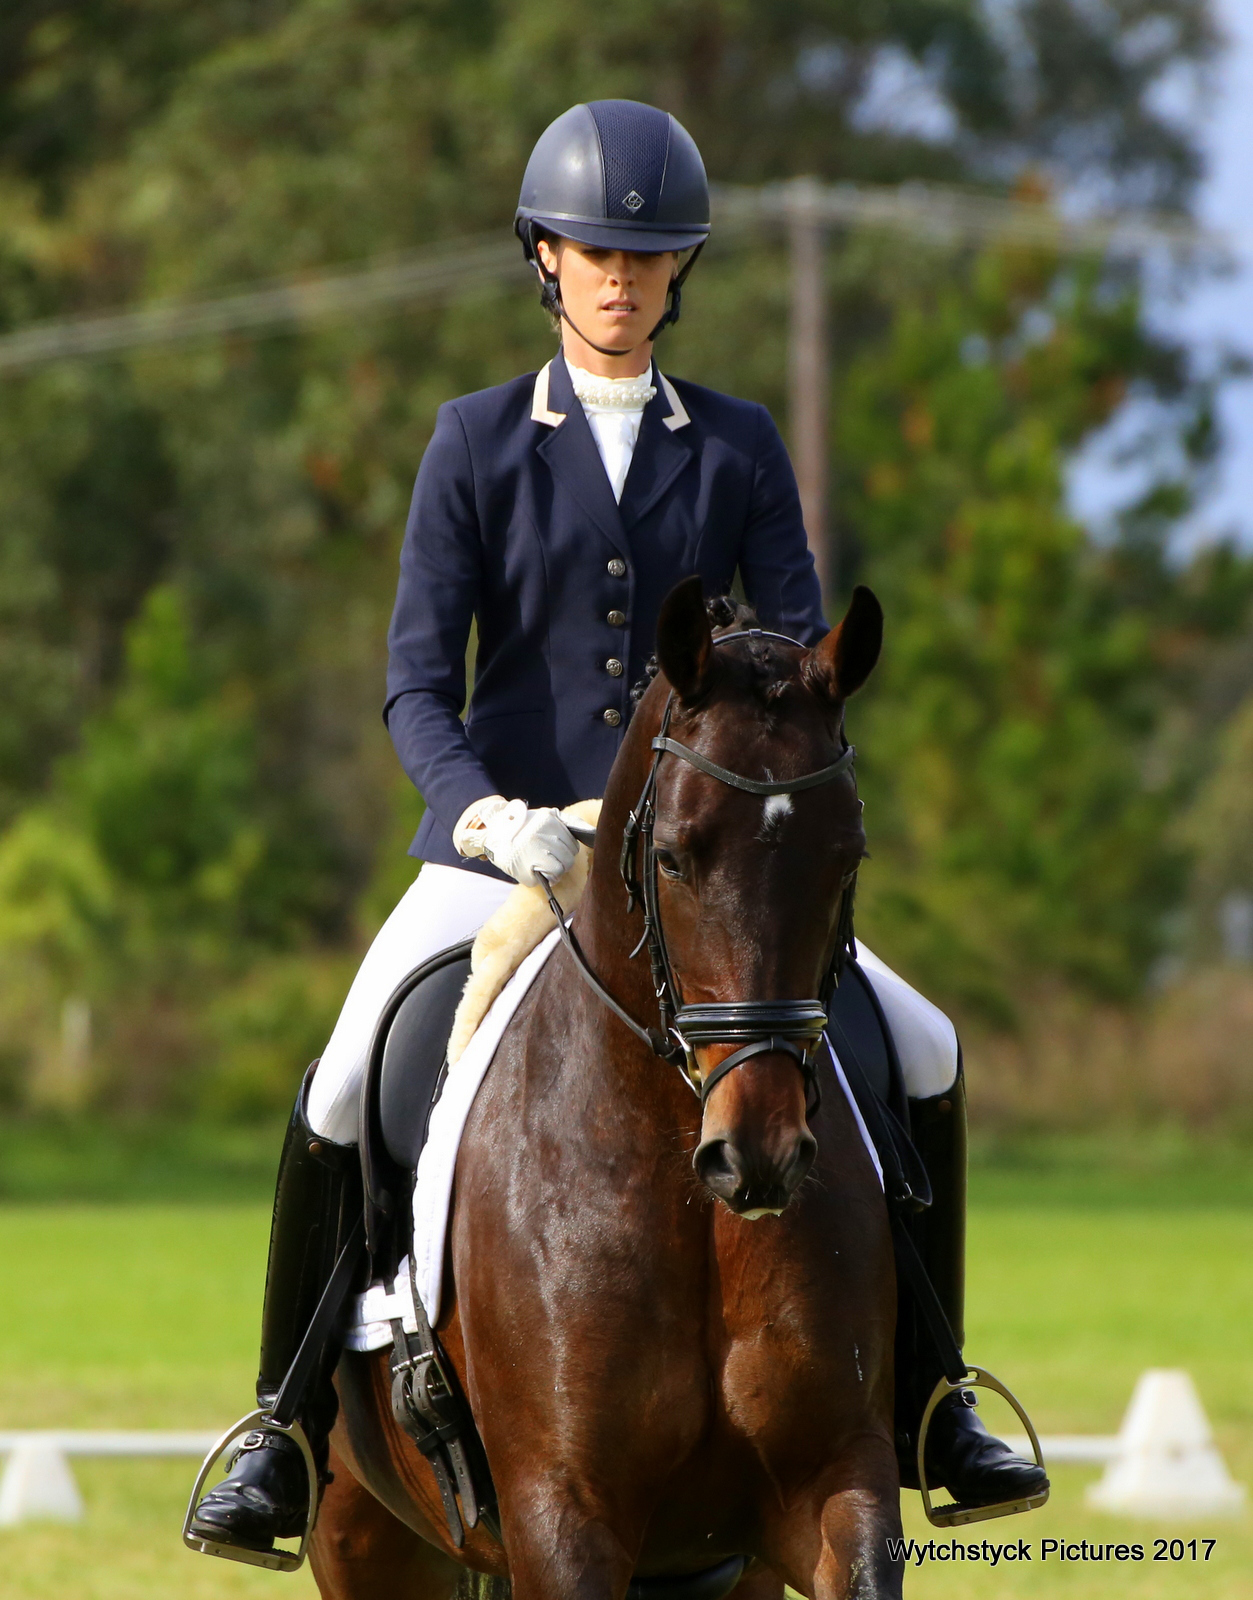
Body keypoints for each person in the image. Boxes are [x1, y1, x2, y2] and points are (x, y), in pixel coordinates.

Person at [189, 98, 1045, 1563]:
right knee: (345, 1074)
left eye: (648, 259)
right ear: (542, 257)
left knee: (925, 1043)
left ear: (677, 276)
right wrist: (484, 819)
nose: (619, 279)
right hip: (510, 856)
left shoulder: (735, 445)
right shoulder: (470, 444)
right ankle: (279, 1423)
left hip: (702, 861)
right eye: (593, 251)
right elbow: (414, 682)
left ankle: (933, 1396)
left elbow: (784, 647)